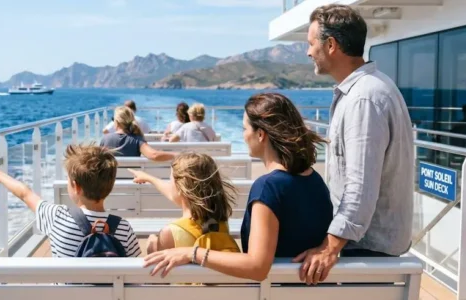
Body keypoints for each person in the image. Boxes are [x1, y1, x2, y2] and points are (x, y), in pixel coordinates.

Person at [142, 93, 333, 281]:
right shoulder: (315, 179)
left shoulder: (269, 187)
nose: (243, 136)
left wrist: (193, 253)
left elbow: (257, 267)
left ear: (260, 134)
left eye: (244, 129)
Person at [292, 3, 415, 285]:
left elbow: (360, 184)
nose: (308, 52)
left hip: (366, 250)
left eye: (311, 44)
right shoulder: (370, 88)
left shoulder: (363, 99)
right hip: (363, 245)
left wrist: (329, 247)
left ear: (331, 45)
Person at [0, 144, 141, 257]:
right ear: (110, 185)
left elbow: (25, 194)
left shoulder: (57, 217)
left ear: (76, 186)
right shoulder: (124, 228)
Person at [127, 152, 240, 254]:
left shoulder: (170, 233)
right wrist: (149, 178)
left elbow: (161, 272)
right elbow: (174, 194)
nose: (169, 184)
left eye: (170, 180)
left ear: (181, 188)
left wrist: (152, 246)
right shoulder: (221, 224)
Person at [100, 106, 175, 161]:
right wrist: (177, 155)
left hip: (111, 180)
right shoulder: (137, 139)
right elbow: (154, 155)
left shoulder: (105, 139)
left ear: (116, 122)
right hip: (132, 180)